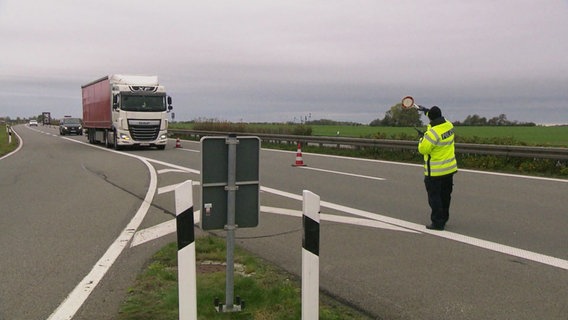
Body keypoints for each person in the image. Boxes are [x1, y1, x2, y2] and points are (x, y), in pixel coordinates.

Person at [418, 106, 457, 230]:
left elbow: (423, 149)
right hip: (449, 170)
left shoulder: (431, 134)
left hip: (434, 173)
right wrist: (426, 111)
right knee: (445, 196)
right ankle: (444, 218)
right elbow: (436, 119)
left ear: (430, 119)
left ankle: (437, 223)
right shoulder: (449, 126)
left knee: (434, 198)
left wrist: (421, 138)